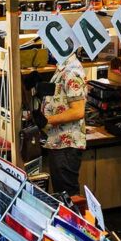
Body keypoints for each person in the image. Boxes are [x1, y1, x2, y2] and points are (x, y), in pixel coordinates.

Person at [40, 53, 87, 196]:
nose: (48, 51)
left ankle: (73, 219)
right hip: (58, 140)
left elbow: (78, 111)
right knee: (62, 193)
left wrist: (48, 120)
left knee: (67, 196)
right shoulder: (63, 67)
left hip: (66, 144)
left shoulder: (72, 72)